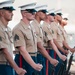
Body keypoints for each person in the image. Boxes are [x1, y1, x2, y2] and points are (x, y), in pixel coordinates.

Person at [12, 3, 43, 75]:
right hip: (23, 60)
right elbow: (22, 50)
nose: (34, 14)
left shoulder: (31, 27)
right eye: (32, 12)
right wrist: (34, 65)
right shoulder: (18, 28)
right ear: (24, 14)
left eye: (34, 12)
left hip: (33, 58)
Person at [0, 1, 26, 75]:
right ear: (2, 13)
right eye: (9, 11)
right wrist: (17, 68)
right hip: (2, 65)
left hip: (9, 64)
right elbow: (5, 51)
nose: (12, 14)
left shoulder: (8, 29)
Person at [31, 5, 59, 75]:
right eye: (43, 12)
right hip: (37, 54)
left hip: (41, 54)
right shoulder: (34, 26)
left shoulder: (39, 26)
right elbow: (39, 45)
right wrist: (50, 58)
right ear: (37, 13)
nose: (45, 14)